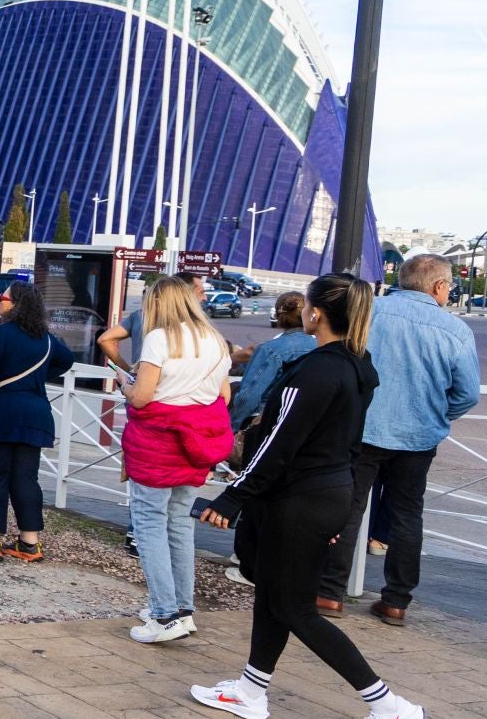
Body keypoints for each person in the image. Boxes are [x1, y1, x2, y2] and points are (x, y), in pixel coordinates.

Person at [192, 275, 427, 719]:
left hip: (302, 497)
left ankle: (387, 706)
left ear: (316, 313)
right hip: (322, 493)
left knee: (295, 607)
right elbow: (342, 442)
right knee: (276, 596)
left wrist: (234, 495)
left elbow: (279, 442)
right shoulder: (356, 365)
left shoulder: (319, 371)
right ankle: (252, 689)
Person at [318, 252, 480, 623]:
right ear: (439, 286)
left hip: (361, 428)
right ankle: (396, 600)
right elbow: (467, 393)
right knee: (406, 515)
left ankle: (329, 592)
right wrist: (438, 415)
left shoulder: (369, 310)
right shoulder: (454, 330)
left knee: (348, 507)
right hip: (418, 436)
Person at [120, 276, 234, 644]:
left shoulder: (159, 339)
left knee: (149, 525)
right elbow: (224, 395)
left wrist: (127, 384)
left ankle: (164, 614)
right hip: (195, 445)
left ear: (157, 304)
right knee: (180, 526)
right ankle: (183, 610)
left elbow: (141, 397)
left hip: (157, 445)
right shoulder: (214, 339)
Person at [0, 281, 76, 562]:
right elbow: (67, 361)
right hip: (34, 413)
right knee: (26, 478)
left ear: (14, 304)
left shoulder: (1, 334)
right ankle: (29, 543)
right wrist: (35, 378)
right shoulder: (47, 338)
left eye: (3, 297)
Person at [231, 292, 315, 431]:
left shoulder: (270, 350)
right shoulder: (321, 347)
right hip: (304, 422)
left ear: (278, 316)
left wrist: (233, 427)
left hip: (266, 421)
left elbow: (248, 397)